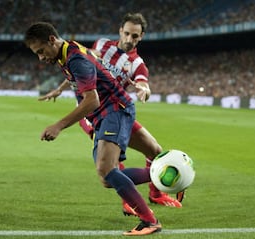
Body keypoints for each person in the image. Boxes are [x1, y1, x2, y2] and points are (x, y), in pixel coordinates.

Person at [24, 22, 162, 236]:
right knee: (107, 178)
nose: (41, 57)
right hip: (108, 113)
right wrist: (60, 90)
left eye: (41, 51)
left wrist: (59, 126)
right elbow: (91, 67)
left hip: (114, 110)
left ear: (52, 40)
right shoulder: (67, 51)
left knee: (106, 169)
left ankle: (149, 221)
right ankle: (166, 174)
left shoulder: (74, 58)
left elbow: (92, 101)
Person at [39, 13, 184, 215]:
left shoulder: (137, 64)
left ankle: (157, 192)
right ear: (120, 31)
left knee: (155, 150)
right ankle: (129, 201)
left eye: (134, 36)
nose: (129, 39)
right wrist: (61, 88)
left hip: (116, 108)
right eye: (126, 33)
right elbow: (82, 66)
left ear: (141, 37)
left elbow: (143, 82)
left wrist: (145, 90)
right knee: (110, 164)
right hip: (92, 113)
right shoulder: (102, 45)